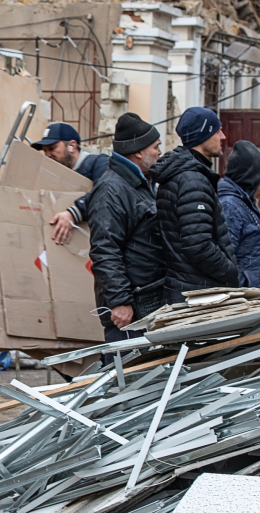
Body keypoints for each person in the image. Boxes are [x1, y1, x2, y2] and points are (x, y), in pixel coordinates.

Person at [89, 113, 164, 356]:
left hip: (145, 300)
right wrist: (120, 301)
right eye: (156, 147)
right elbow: (104, 249)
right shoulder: (112, 189)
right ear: (139, 152)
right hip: (129, 308)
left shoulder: (140, 183)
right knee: (129, 381)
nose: (159, 152)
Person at [153, 107, 239, 304]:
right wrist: (230, 273)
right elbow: (198, 246)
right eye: (217, 131)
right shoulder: (192, 180)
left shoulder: (185, 174)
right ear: (204, 135)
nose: (223, 136)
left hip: (189, 289)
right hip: (197, 294)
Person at [31, 123, 110, 244]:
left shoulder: (100, 163)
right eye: (45, 152)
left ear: (72, 146)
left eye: (52, 148)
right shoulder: (52, 176)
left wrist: (73, 213)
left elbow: (105, 193)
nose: (47, 156)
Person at [217, 141, 260, 289]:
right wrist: (247, 285)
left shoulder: (244, 203)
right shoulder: (230, 207)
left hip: (253, 300)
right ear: (252, 176)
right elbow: (223, 262)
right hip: (243, 302)